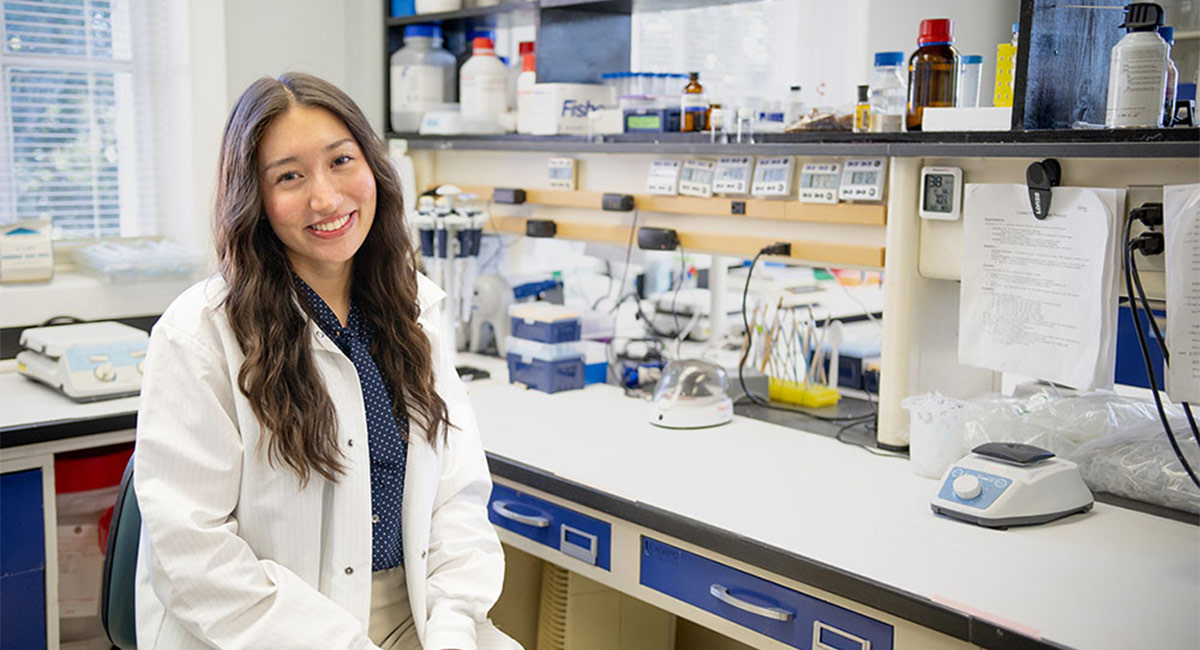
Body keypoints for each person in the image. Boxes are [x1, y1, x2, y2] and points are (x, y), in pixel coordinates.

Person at [133, 72, 520, 650]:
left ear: (373, 167)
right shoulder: (199, 335)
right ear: (254, 199)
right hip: (266, 628)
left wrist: (453, 626)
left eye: (341, 161)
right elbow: (192, 555)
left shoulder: (414, 310)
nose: (327, 198)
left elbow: (456, 498)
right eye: (289, 176)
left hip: (415, 610)